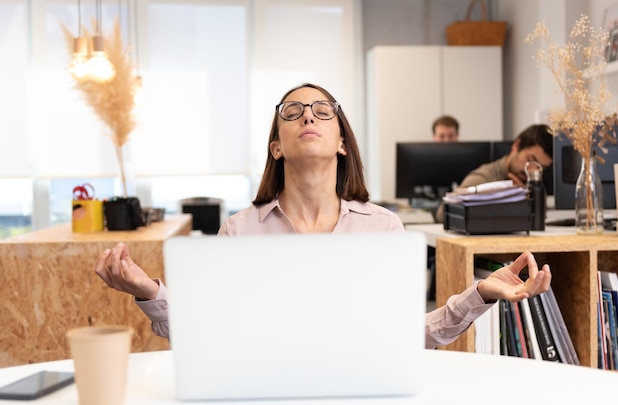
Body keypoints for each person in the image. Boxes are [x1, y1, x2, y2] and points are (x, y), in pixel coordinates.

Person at [95, 83, 552, 350]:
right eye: (292, 112)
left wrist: (479, 294)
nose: (307, 116)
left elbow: (406, 340)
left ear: (340, 141)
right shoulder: (241, 229)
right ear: (277, 146)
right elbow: (209, 333)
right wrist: (148, 291)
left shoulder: (383, 228)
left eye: (321, 111)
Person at [435, 123, 554, 223]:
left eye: (541, 167)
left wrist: (531, 201)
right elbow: (442, 213)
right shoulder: (485, 178)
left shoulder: (535, 187)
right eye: (530, 160)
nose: (532, 170)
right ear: (516, 145)